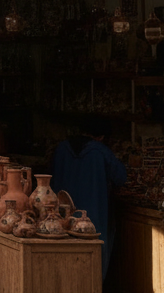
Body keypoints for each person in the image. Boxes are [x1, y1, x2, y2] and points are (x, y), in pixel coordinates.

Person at [52, 115, 127, 279]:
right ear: (101, 137)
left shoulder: (62, 148)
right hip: (94, 217)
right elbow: (121, 177)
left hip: (62, 216)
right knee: (94, 260)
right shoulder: (100, 151)